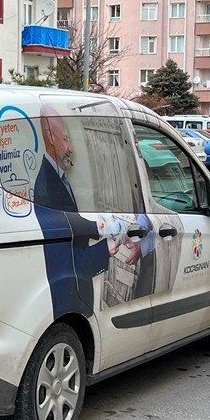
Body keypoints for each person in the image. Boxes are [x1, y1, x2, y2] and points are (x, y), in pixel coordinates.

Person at [32, 104, 139, 318]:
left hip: (75, 296)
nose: (71, 147)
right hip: (68, 301)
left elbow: (70, 225)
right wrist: (106, 247)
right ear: (51, 137)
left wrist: (105, 228)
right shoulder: (47, 187)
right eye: (65, 139)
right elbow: (64, 262)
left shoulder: (57, 178)